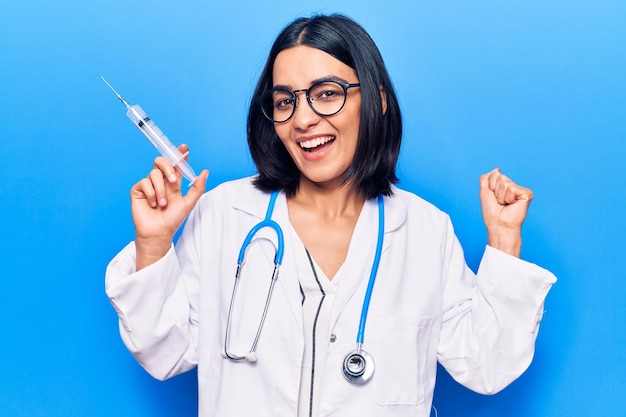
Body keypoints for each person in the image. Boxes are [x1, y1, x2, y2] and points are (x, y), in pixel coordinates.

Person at [105, 13, 556, 417]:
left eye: (327, 94)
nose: (302, 119)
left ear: (376, 101)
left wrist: (504, 241)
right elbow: (163, 353)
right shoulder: (225, 214)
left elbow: (487, 366)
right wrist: (152, 243)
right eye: (285, 101)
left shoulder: (423, 230)